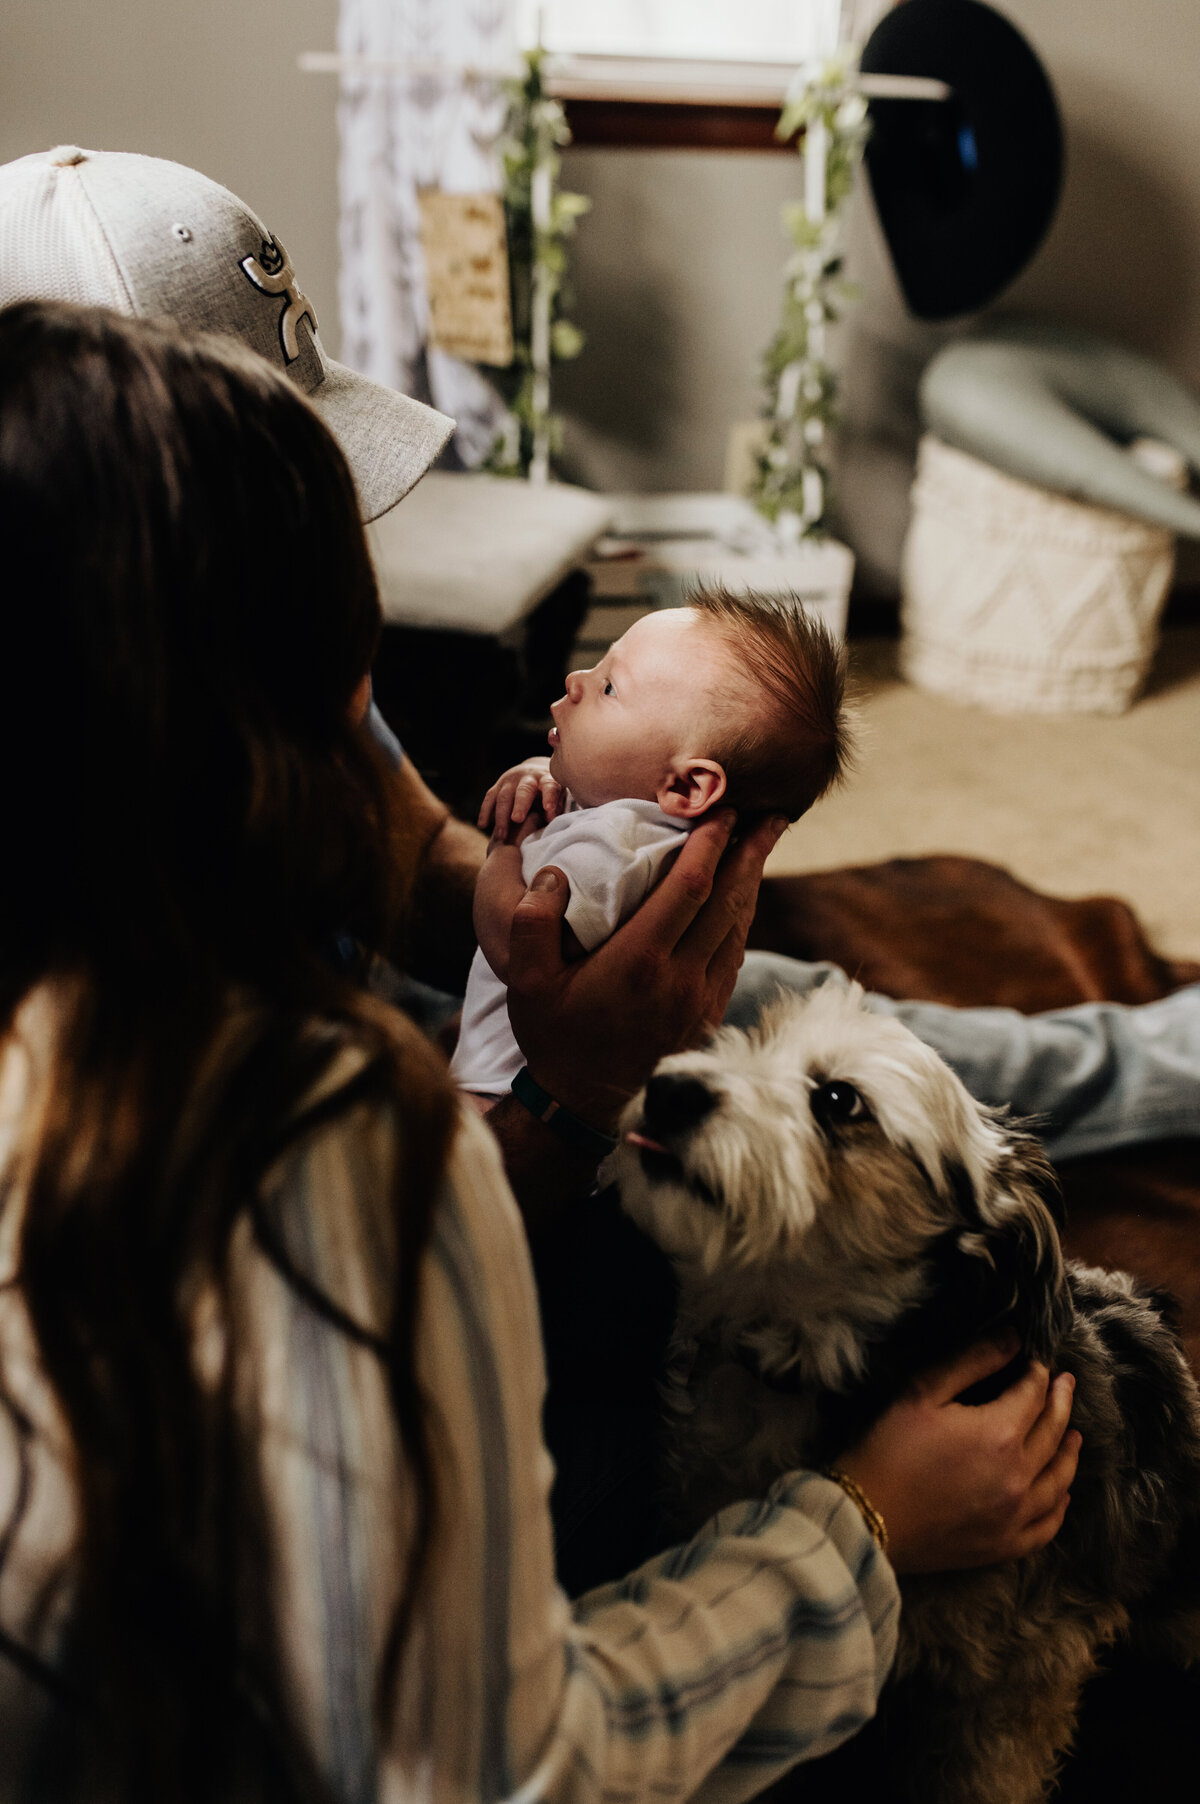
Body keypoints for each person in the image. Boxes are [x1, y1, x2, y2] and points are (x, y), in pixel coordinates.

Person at [0, 298, 1080, 1802]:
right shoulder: (343, 1159)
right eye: (340, 638)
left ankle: (1113, 1056)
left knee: (828, 1011)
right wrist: (868, 1522)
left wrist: (577, 952)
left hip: (466, 1032)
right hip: (478, 1152)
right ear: (241, 700)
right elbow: (507, 1768)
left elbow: (427, 852)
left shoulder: (102, 719)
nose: (370, 689)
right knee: (777, 1142)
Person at [2, 143, 1195, 1220]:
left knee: (826, 1020)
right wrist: (573, 1085)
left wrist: (605, 943)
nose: (332, 559)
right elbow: (399, 1294)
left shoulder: (278, 652)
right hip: (362, 1117)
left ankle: (1156, 1059)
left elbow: (410, 854)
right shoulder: (86, 997)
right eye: (275, 513)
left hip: (438, 999)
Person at [451, 591, 848, 1101]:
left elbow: (516, 946)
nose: (577, 682)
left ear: (685, 788)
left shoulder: (612, 850)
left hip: (509, 1092)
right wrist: (541, 773)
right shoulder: (638, 821)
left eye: (611, 687)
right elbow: (584, 802)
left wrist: (507, 846)